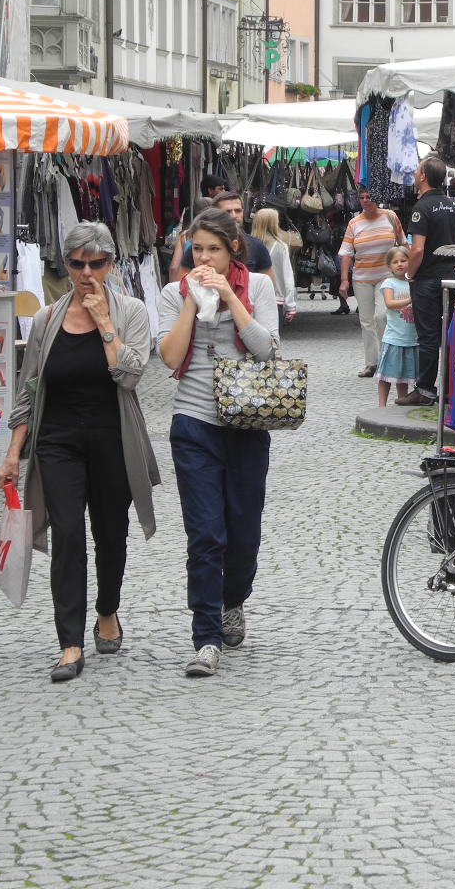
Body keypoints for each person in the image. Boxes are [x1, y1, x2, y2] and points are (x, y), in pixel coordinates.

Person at [0, 223, 159, 681]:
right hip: (58, 441)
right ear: (66, 265)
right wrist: (13, 452)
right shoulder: (47, 319)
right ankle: (69, 642)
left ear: (111, 264)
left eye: (96, 263)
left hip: (112, 438)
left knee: (111, 535)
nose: (87, 273)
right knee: (68, 535)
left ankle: (107, 609)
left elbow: (131, 375)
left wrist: (105, 324)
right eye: (77, 264)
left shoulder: (131, 312)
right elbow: (30, 388)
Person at [157, 208, 279, 678]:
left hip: (247, 422)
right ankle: (205, 637)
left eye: (214, 249)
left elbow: (266, 349)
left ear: (233, 250)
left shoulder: (258, 287)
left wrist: (229, 295)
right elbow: (170, 357)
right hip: (194, 422)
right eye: (198, 249)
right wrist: (192, 300)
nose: (204, 258)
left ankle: (233, 600)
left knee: (243, 534)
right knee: (205, 534)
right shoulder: (172, 293)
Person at [401, 157, 455, 407]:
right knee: (451, 334)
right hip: (451, 279)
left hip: (427, 279)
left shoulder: (421, 208)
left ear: (423, 177)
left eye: (418, 170)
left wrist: (409, 274)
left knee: (428, 336)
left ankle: (425, 390)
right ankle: (451, 389)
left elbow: (417, 250)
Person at [338, 186, 406, 378]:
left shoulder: (390, 217)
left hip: (386, 276)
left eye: (369, 197)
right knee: (366, 321)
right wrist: (344, 280)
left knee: (382, 316)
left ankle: (387, 360)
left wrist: (406, 269)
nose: (366, 200)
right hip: (362, 278)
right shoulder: (354, 223)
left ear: (377, 198)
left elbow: (403, 243)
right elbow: (347, 254)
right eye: (362, 197)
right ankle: (371, 363)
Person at [375, 246, 418, 408]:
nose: (399, 264)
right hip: (394, 337)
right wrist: (410, 299)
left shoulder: (414, 283)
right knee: (385, 375)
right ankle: (382, 406)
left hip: (411, 337)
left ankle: (402, 402)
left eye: (403, 260)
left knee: (403, 376)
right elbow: (390, 303)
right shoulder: (389, 283)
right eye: (395, 262)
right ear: (389, 266)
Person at [250, 208, 297, 326]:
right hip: (274, 299)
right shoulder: (281, 247)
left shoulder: (248, 245)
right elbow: (287, 277)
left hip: (250, 298)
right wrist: (290, 305)